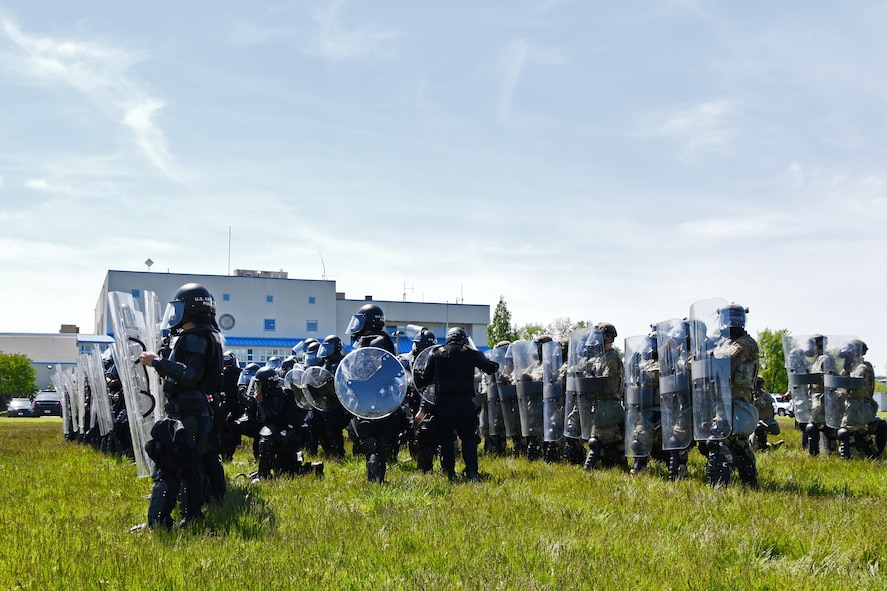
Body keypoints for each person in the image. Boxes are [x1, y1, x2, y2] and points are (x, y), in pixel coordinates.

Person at [133, 283, 224, 531]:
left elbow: (191, 375)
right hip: (196, 411)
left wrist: (157, 362)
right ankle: (192, 518)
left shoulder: (194, 337)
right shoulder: (208, 337)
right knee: (189, 465)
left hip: (186, 411)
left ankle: (158, 524)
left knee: (167, 466)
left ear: (190, 310)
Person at [416, 327, 499, 481]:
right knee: (468, 439)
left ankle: (449, 473)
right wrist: (493, 363)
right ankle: (472, 472)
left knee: (446, 440)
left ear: (448, 337)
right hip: (465, 404)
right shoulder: (472, 353)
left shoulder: (436, 353)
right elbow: (490, 368)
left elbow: (424, 379)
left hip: (443, 404)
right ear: (463, 339)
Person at [346, 303, 409, 483]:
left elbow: (387, 371)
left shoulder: (379, 342)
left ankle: (376, 481)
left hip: (376, 398)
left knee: (374, 442)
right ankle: (375, 481)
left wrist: (365, 386)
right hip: (371, 398)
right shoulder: (368, 342)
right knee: (372, 442)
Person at [699, 303, 760, 488]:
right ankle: (749, 482)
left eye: (737, 317)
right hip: (721, 399)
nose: (732, 322)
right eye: (728, 318)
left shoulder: (745, 343)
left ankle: (718, 486)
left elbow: (727, 361)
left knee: (719, 438)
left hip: (737, 400)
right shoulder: (722, 342)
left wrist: (705, 353)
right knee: (739, 443)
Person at [582, 322, 625, 471]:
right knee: (613, 441)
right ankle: (618, 466)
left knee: (596, 441)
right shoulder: (602, 358)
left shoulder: (611, 358)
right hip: (603, 406)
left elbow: (607, 384)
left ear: (608, 337)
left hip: (609, 405)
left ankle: (589, 471)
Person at [834, 339, 881, 459]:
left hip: (861, 406)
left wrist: (841, 390)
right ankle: (872, 453)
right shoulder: (854, 368)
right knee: (860, 431)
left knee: (845, 429)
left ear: (855, 352)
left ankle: (851, 454)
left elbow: (856, 391)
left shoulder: (861, 369)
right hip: (855, 406)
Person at [318, 334, 351, 461]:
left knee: (335, 430)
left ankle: (338, 455)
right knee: (330, 430)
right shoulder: (327, 362)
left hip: (338, 401)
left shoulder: (340, 362)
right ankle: (333, 454)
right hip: (328, 400)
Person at [750, 377, 783, 452]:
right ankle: (769, 446)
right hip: (749, 424)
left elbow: (767, 410)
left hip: (762, 423)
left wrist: (758, 399)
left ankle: (765, 447)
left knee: (759, 430)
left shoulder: (766, 397)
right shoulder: (747, 395)